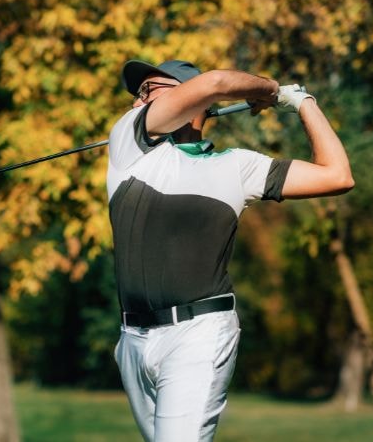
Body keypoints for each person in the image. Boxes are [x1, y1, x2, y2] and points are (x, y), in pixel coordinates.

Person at [107, 59, 354, 442]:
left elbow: (338, 175)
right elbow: (218, 83)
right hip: (133, 341)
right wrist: (269, 90)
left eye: (147, 91)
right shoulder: (130, 141)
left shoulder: (238, 166)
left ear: (190, 98)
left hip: (199, 334)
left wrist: (302, 102)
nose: (136, 102)